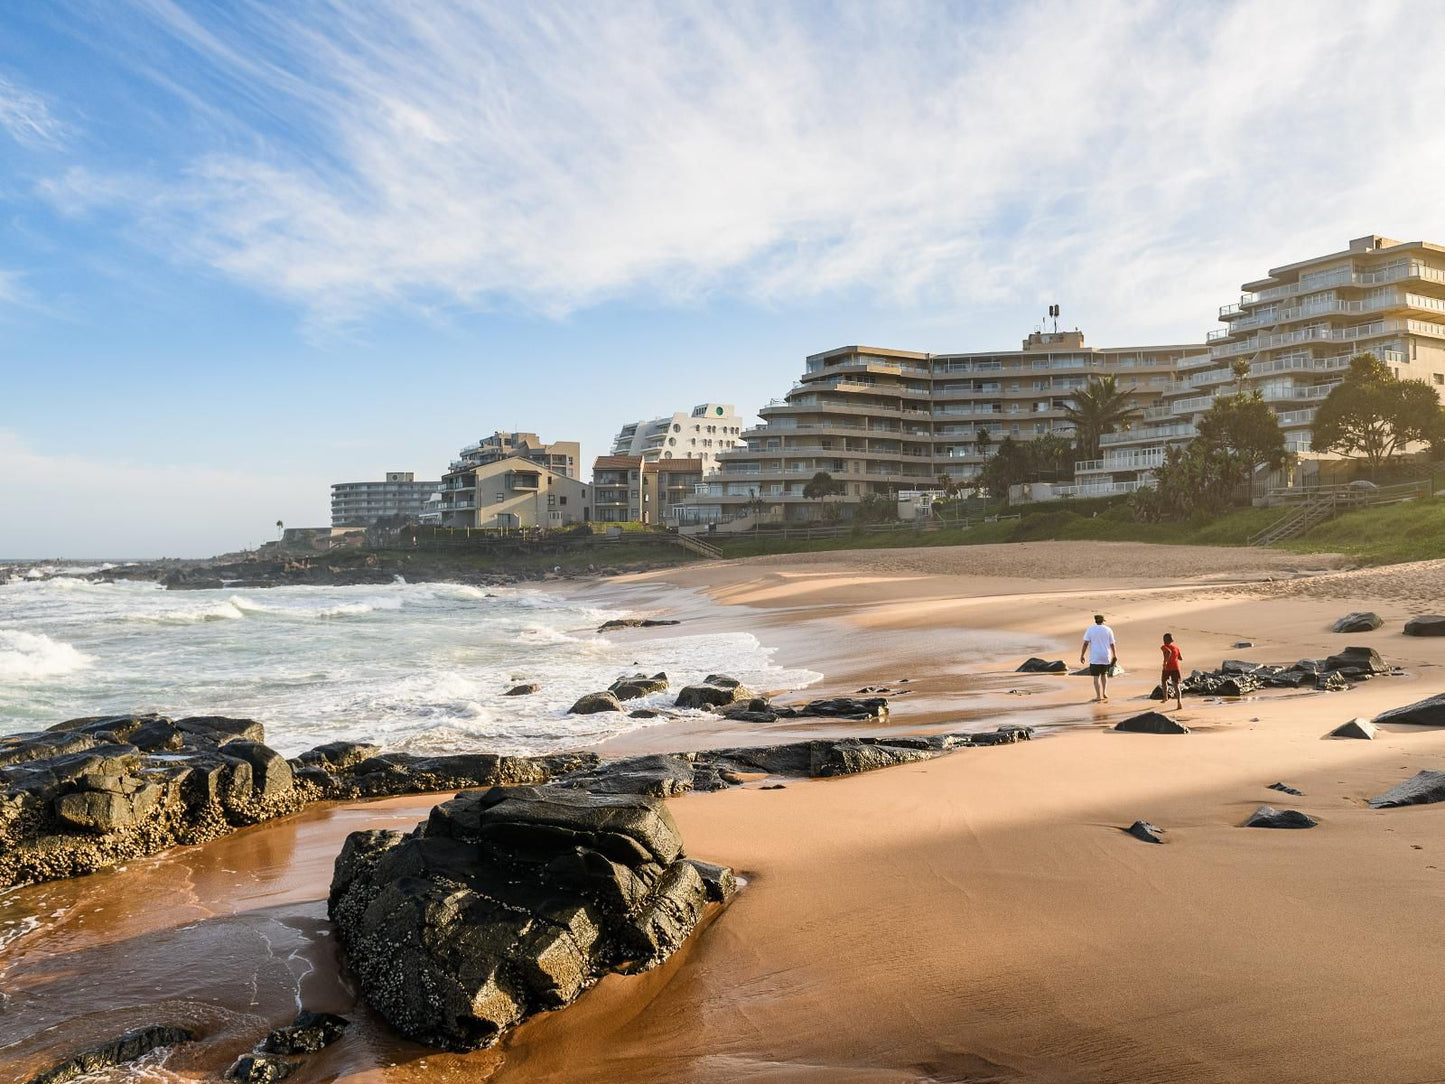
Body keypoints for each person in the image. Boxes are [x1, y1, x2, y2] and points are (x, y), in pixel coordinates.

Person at [1080, 614, 1117, 703]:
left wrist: (1082, 655)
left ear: (1095, 621)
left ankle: (1098, 696)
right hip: (1106, 655)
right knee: (1104, 675)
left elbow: (1086, 643)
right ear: (1103, 621)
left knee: (1096, 676)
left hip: (1095, 656)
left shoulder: (1090, 629)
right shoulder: (1108, 629)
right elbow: (1112, 644)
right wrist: (1114, 655)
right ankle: (1104, 693)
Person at [1160, 632, 1184, 710]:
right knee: (1176, 686)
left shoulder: (1163, 646)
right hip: (1176, 668)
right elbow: (1180, 658)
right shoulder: (1176, 648)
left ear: (1164, 640)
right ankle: (1179, 702)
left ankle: (1165, 697)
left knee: (1164, 681)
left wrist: (1165, 661)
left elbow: (1169, 652)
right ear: (1172, 640)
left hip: (1167, 668)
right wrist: (1175, 656)